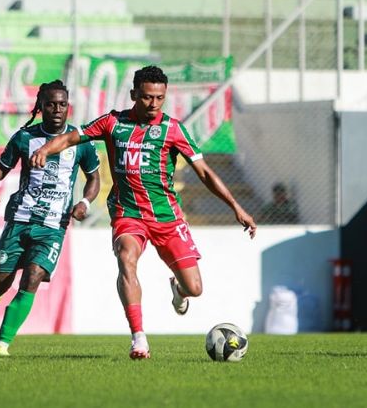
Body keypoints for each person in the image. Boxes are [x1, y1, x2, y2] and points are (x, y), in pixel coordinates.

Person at [29, 65, 257, 359]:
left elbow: (204, 172)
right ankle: (138, 338)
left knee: (195, 288)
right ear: (134, 94)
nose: (153, 104)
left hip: (167, 217)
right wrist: (46, 149)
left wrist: (236, 207)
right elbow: (72, 137)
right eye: (147, 97)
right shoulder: (112, 123)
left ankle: (179, 290)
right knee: (126, 257)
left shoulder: (173, 129)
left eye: (160, 98)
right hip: (128, 214)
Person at [0, 80, 101, 357]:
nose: (57, 109)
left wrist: (85, 201)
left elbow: (94, 177)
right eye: (51, 104)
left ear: (68, 106)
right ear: (40, 106)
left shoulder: (81, 141)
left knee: (33, 276)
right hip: (20, 219)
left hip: (54, 226)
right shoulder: (24, 138)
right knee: (2, 282)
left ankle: (2, 343)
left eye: (62, 104)